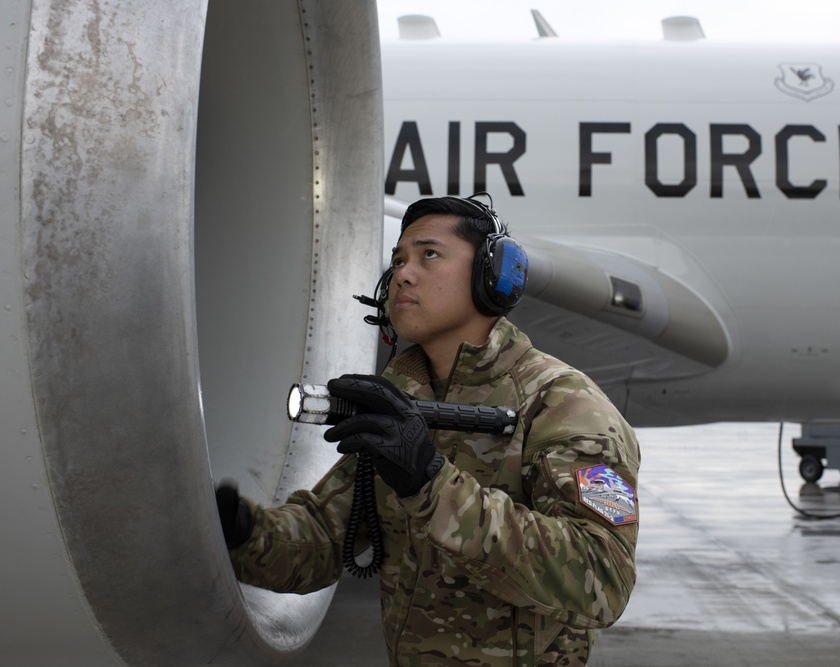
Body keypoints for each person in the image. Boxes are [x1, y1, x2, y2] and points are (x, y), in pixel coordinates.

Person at [216, 194, 640, 666]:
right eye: (398, 259)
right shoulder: (403, 402)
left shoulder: (565, 404)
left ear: (490, 276)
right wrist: (237, 528)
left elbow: (602, 581)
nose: (402, 273)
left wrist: (429, 483)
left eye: (429, 255)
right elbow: (322, 541)